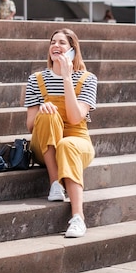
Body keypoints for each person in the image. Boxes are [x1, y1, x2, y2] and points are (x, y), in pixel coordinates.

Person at [24, 28, 97, 238]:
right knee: (47, 115)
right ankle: (55, 183)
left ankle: (78, 218)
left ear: (73, 50)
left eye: (62, 43)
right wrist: (42, 112)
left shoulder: (87, 79)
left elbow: (75, 119)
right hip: (44, 144)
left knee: (67, 145)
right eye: (53, 42)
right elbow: (30, 125)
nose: (56, 46)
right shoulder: (35, 79)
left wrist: (67, 78)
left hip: (77, 140)